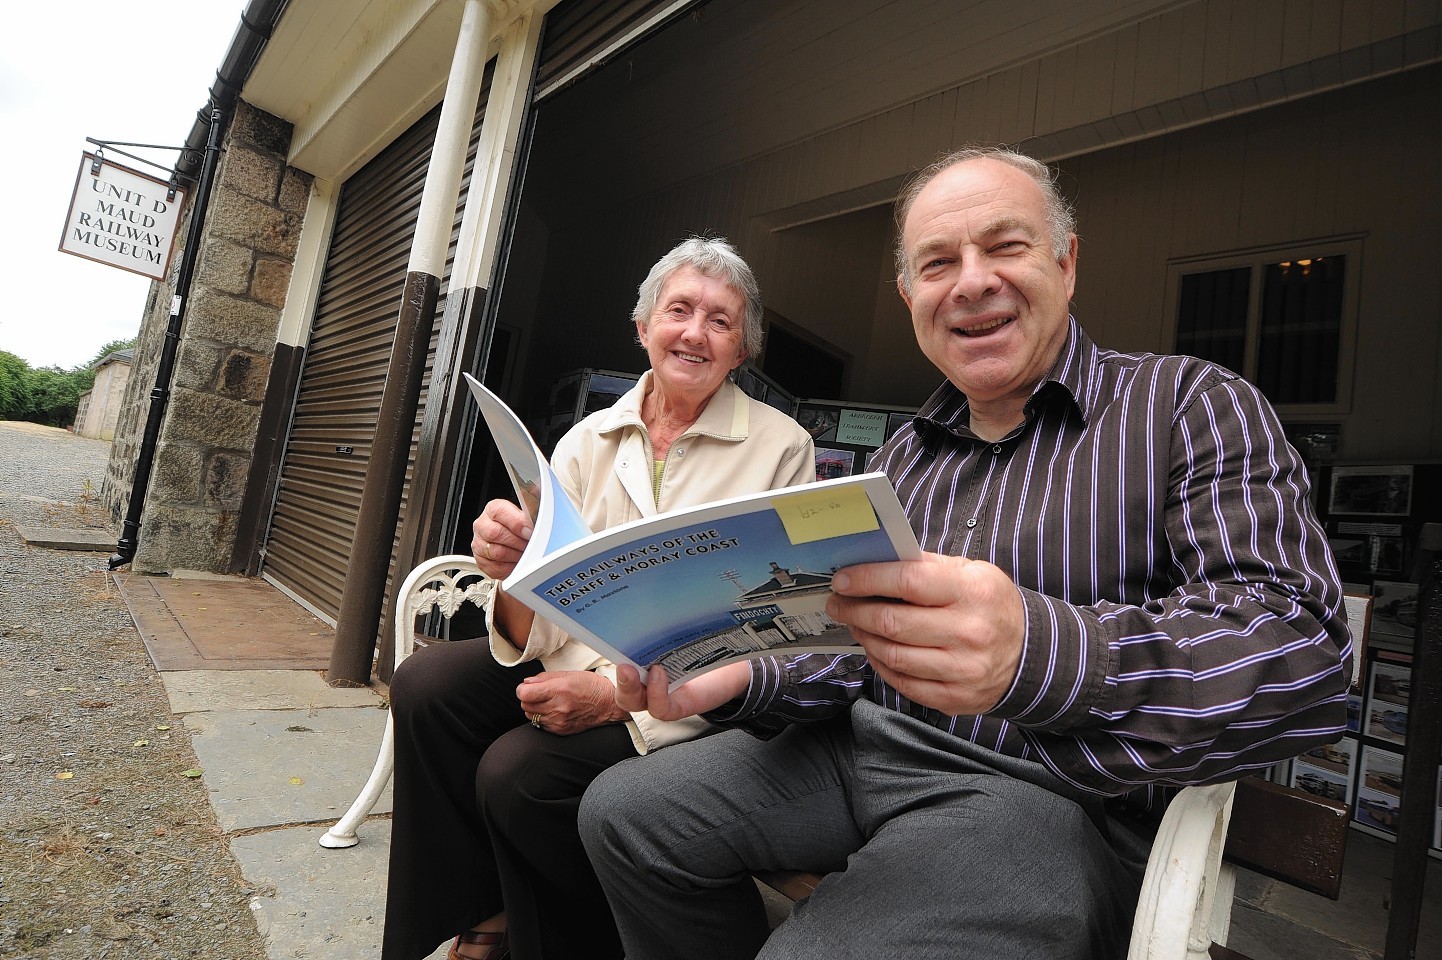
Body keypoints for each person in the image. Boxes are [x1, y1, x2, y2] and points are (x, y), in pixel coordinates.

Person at [578, 146, 1352, 960]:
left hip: (1049, 793)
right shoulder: (905, 457)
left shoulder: (1190, 405)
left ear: (1067, 261)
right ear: (912, 298)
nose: (972, 281)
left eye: (1005, 246)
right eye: (938, 263)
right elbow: (850, 644)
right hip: (864, 751)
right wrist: (737, 676)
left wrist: (1035, 652)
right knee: (623, 819)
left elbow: (1299, 648)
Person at [381, 237, 816, 960]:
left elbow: (771, 624)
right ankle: (485, 914)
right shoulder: (590, 437)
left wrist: (616, 698)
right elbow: (543, 609)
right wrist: (512, 568)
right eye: (678, 310)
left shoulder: (782, 448)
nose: (694, 332)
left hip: (688, 690)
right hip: (578, 648)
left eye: (720, 321)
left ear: (743, 350)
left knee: (517, 776)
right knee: (425, 684)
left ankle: (568, 937)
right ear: (643, 328)